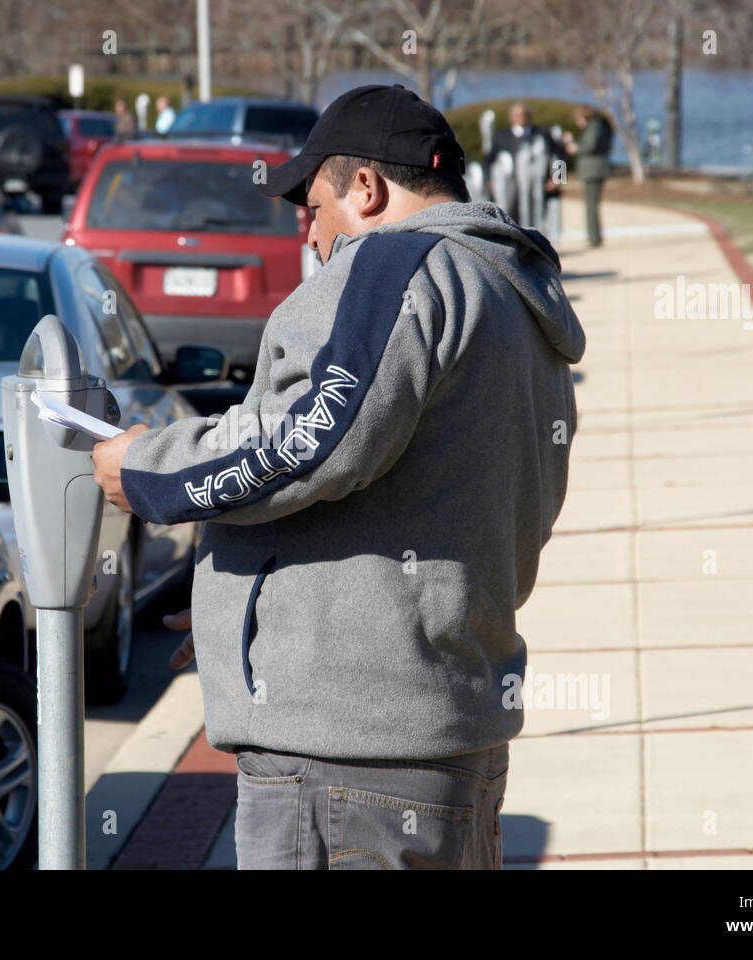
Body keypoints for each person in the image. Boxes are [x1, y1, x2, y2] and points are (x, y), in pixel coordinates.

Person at [91, 84, 585, 870]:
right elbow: (434, 497)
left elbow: (310, 441)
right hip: (444, 738)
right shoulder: (512, 291)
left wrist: (146, 470)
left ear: (367, 189)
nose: (308, 233)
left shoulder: (396, 266)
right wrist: (246, 620)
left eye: (313, 207)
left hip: (351, 764)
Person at [483, 102, 565, 232]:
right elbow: (489, 160)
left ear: (529, 116)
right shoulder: (501, 136)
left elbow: (560, 154)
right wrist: (489, 180)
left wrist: (558, 178)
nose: (521, 118)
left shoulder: (543, 133)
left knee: (538, 220)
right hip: (511, 190)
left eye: (524, 115)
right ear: (511, 118)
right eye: (517, 115)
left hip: (538, 188)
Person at [565, 105, 613, 247]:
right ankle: (594, 237)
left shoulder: (594, 127)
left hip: (594, 170)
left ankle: (594, 238)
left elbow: (590, 146)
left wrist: (575, 147)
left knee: (591, 205)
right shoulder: (598, 126)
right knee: (592, 204)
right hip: (595, 169)